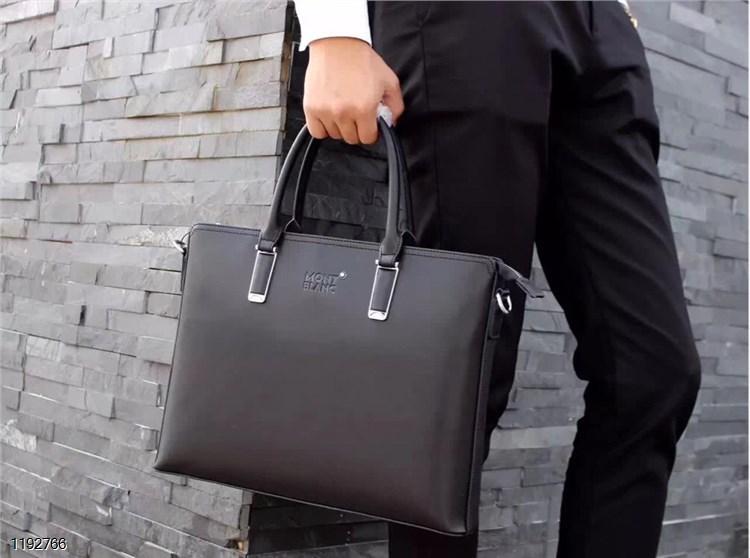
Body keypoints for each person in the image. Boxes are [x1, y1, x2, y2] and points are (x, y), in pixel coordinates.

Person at [292, 2, 702, 557]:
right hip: (469, 20)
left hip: (601, 28)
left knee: (652, 371)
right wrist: (332, 30)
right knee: (460, 393)